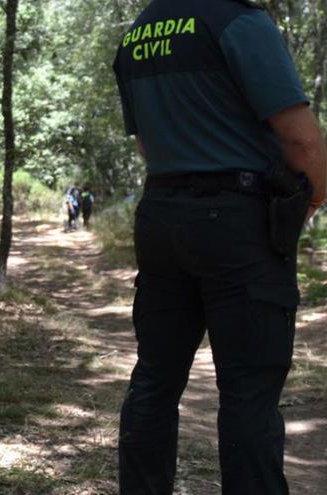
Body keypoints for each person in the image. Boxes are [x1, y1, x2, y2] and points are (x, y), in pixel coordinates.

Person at [112, 1, 327, 494]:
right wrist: (307, 203)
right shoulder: (239, 21)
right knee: (249, 393)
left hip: (161, 216)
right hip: (239, 219)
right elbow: (303, 143)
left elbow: (146, 144)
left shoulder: (138, 32)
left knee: (155, 379)